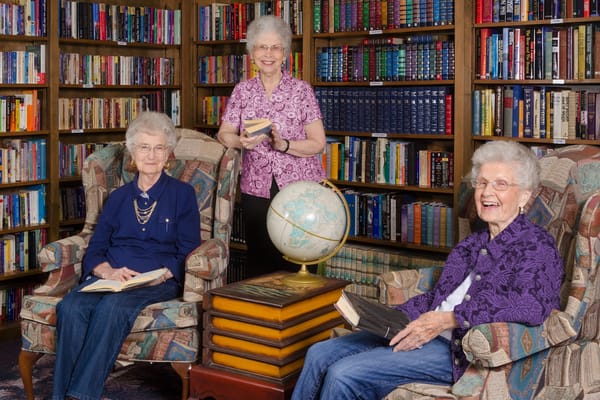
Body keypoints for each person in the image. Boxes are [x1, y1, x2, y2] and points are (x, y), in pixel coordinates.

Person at [291, 141, 564, 400]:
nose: (486, 193)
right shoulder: (473, 242)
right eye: (481, 183)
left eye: (500, 184)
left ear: (524, 196)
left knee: (344, 374)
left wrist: (450, 319)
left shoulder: (537, 246)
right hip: (428, 330)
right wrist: (388, 317)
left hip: (458, 348)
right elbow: (439, 297)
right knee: (319, 353)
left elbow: (531, 306)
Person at [51, 111, 201, 400]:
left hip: (155, 279)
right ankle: (61, 395)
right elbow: (96, 248)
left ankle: (79, 395)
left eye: (159, 148)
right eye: (144, 147)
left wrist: (161, 275)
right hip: (113, 277)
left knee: (113, 309)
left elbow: (188, 248)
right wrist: (106, 272)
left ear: (169, 153)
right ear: (133, 151)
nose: (152, 155)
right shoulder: (118, 197)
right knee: (71, 306)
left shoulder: (183, 194)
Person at [217, 15, 326, 278]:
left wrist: (284, 144)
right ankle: (263, 317)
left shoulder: (301, 91)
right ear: (252, 52)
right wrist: (241, 140)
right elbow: (224, 134)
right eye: (262, 47)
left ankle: (298, 315)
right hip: (256, 187)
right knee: (260, 257)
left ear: (285, 53)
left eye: (275, 47)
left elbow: (318, 143)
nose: (268, 54)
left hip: (299, 189)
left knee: (298, 259)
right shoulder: (243, 91)